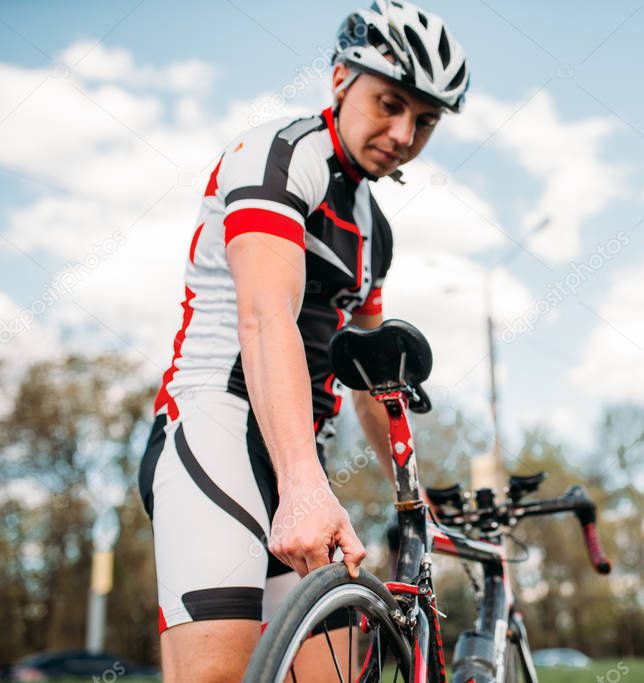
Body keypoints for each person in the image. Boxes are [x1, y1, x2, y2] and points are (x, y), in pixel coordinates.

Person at [136, 2, 469, 680]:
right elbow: (265, 314)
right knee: (218, 674)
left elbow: (370, 372)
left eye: (425, 121)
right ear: (341, 79)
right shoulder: (278, 154)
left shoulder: (375, 229)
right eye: (390, 103)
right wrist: (302, 485)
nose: (403, 133)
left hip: (301, 453)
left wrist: (414, 497)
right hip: (216, 424)